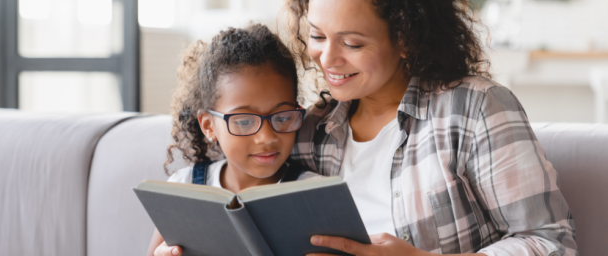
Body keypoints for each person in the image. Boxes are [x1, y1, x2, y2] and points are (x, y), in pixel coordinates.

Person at [285, 0, 577, 255]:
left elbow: (552, 244)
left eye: (352, 44)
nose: (327, 58)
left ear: (405, 39)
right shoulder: (310, 132)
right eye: (317, 35)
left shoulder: (474, 109)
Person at [146, 24, 319, 256]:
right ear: (208, 125)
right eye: (245, 121)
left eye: (282, 117)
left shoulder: (314, 194)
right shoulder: (182, 188)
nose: (266, 137)